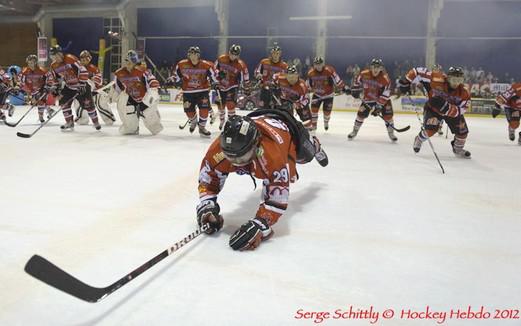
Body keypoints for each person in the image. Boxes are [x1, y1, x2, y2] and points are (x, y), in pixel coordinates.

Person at [196, 109, 328, 251]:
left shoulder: (273, 156)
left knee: (305, 155)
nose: (236, 162)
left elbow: (277, 198)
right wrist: (207, 205)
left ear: (256, 145)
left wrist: (261, 223)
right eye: (230, 157)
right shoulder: (221, 149)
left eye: (242, 157)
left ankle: (316, 145)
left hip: (288, 128)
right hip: (258, 118)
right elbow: (208, 178)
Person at [399, 66, 472, 158]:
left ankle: (458, 149)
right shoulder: (436, 78)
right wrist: (406, 81)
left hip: (451, 113)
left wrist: (447, 108)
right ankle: (419, 139)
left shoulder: (465, 92)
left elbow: (463, 109)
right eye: (454, 80)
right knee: (430, 130)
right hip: (433, 109)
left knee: (462, 133)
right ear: (448, 78)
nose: (456, 83)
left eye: (459, 80)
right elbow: (417, 71)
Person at [47, 45, 101, 131]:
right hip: (69, 86)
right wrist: (55, 89)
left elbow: (83, 70)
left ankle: (96, 122)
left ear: (61, 54)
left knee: (89, 105)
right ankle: (69, 122)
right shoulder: (53, 65)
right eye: (52, 56)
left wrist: (82, 83)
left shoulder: (70, 58)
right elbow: (54, 78)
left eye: (56, 55)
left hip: (81, 85)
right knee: (63, 103)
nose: (54, 58)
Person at [171, 46, 218, 137]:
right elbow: (176, 77)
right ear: (188, 55)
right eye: (191, 54)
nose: (193, 56)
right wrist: (171, 79)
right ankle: (193, 121)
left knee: (204, 109)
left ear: (198, 55)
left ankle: (202, 127)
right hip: (188, 92)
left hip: (202, 91)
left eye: (195, 54)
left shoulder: (206, 65)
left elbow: (214, 76)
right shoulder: (181, 64)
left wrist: (219, 78)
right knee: (188, 111)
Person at [114, 50, 162, 135]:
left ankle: (154, 123)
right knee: (129, 127)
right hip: (132, 98)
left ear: (135, 62)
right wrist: (112, 95)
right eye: (127, 60)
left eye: (131, 61)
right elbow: (117, 89)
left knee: (154, 126)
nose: (129, 63)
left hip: (145, 99)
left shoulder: (142, 71)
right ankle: (132, 127)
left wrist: (154, 90)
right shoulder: (120, 73)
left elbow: (153, 82)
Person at [347, 59, 397, 141]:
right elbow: (357, 82)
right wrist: (355, 90)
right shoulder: (363, 74)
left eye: (378, 67)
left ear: (381, 68)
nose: (376, 69)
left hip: (383, 100)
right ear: (371, 67)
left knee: (388, 116)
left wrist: (379, 106)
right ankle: (354, 131)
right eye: (374, 67)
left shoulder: (385, 78)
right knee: (360, 115)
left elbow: (386, 93)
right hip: (368, 99)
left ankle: (391, 134)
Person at [306, 56, 348, 131]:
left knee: (327, 113)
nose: (318, 66)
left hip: (328, 95)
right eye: (316, 64)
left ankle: (326, 122)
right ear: (314, 65)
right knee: (314, 111)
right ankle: (314, 126)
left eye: (320, 64)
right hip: (317, 95)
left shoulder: (329, 70)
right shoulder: (310, 73)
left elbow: (337, 79)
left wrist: (343, 87)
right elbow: (308, 84)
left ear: (323, 64)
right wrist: (306, 92)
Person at [214, 44, 250, 130]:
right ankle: (222, 121)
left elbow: (246, 75)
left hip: (232, 86)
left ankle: (231, 123)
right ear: (229, 52)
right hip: (221, 85)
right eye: (232, 53)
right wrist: (218, 74)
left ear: (238, 55)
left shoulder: (241, 64)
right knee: (221, 106)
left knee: (231, 105)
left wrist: (247, 87)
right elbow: (214, 68)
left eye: (236, 54)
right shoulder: (221, 58)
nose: (233, 56)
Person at [76, 50, 115, 126]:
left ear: (89, 59)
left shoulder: (94, 68)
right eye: (82, 59)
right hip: (83, 91)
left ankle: (109, 119)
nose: (84, 61)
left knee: (101, 105)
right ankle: (82, 119)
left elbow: (99, 80)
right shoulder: (78, 69)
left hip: (95, 91)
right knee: (79, 103)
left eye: (86, 59)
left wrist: (91, 80)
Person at [271, 65, 312, 129]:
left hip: (299, 101)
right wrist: (274, 86)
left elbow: (306, 99)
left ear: (297, 75)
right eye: (290, 77)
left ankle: (309, 132)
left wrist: (297, 105)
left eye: (294, 77)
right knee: (286, 116)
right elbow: (274, 77)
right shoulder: (280, 77)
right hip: (285, 99)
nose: (292, 79)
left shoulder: (302, 85)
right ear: (286, 75)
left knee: (308, 120)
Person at [20, 54, 54, 123]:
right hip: (32, 90)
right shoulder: (25, 72)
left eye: (32, 63)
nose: (31, 64)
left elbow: (50, 77)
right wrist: (29, 91)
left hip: (42, 89)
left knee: (40, 102)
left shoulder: (42, 70)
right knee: (39, 101)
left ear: (36, 62)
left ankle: (41, 117)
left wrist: (48, 86)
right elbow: (22, 82)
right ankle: (49, 110)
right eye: (29, 63)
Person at [254, 44, 289, 109]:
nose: (275, 55)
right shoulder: (264, 62)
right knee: (263, 109)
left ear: (280, 54)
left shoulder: (284, 66)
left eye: (277, 53)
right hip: (265, 89)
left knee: (276, 110)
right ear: (271, 54)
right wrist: (258, 75)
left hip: (277, 91)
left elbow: (287, 79)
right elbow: (257, 71)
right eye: (274, 53)